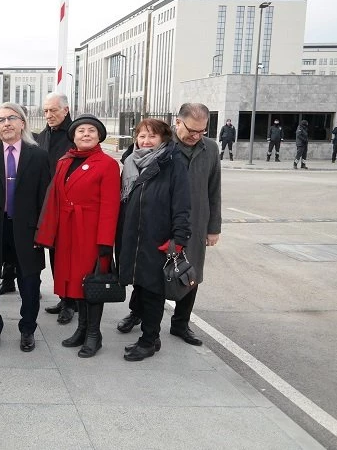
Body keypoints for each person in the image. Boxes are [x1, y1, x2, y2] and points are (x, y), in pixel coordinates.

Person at [117, 103, 221, 347]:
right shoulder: (161, 143)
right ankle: (137, 313)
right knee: (148, 272)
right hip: (160, 220)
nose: (196, 136)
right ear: (178, 123)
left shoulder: (210, 148)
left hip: (195, 221)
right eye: (192, 130)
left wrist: (213, 227)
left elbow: (214, 188)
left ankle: (181, 323)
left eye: (202, 131)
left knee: (189, 272)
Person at [35, 115, 120, 357]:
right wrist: (47, 233)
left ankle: (94, 334)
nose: (86, 134)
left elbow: (110, 205)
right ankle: (82, 329)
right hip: (68, 232)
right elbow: (54, 199)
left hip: (91, 234)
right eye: (81, 131)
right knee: (75, 281)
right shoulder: (65, 161)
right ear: (73, 136)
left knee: (91, 282)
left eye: (91, 131)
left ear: (99, 136)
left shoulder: (107, 164)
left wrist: (105, 242)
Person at [0, 103, 51, 352]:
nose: (6, 123)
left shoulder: (38, 156)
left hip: (28, 230)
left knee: (30, 282)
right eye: (0, 120)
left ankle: (27, 329)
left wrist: (42, 233)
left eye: (11, 118)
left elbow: (45, 199)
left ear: (22, 123)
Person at [117, 119, 191, 361]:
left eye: (152, 136)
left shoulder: (173, 163)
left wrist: (179, 238)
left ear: (163, 138)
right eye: (141, 136)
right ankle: (152, 336)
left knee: (153, 290)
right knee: (140, 285)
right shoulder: (131, 161)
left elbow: (182, 204)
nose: (146, 141)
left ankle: (149, 340)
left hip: (157, 237)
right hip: (133, 235)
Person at [36, 92, 77, 324]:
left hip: (68, 205)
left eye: (53, 110)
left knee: (68, 255)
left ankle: (71, 302)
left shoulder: (75, 134)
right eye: (45, 111)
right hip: (47, 204)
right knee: (54, 254)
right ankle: (63, 296)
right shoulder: (42, 136)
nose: (49, 115)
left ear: (66, 110)